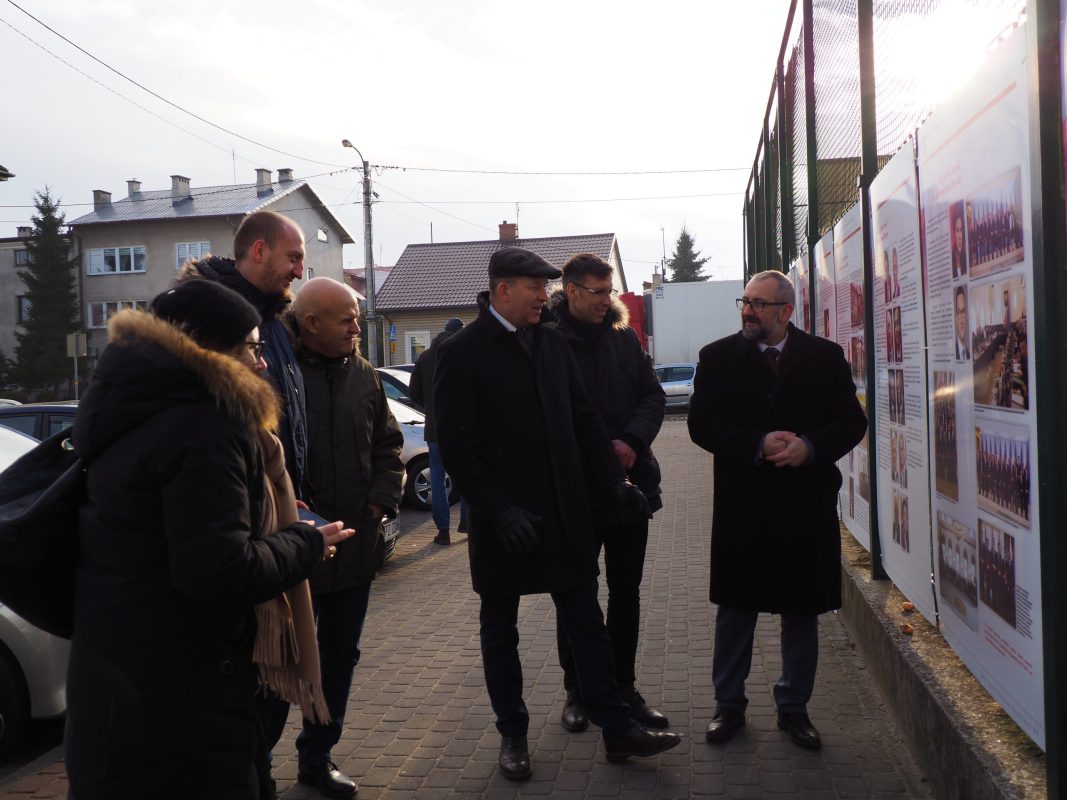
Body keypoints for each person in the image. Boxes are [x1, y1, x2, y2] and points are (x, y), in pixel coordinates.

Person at [65, 280, 352, 800]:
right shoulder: (207, 426)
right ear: (210, 349)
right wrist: (305, 544)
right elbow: (219, 570)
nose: (262, 364)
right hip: (182, 701)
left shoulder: (133, 407)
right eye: (252, 347)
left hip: (123, 687)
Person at [433, 246, 681, 781]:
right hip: (505, 523)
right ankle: (513, 735)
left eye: (546, 288)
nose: (543, 297)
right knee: (500, 630)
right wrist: (499, 512)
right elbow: (457, 448)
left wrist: (616, 484)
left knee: (585, 620)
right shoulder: (462, 352)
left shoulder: (549, 342)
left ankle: (616, 728)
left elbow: (585, 420)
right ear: (503, 290)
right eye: (534, 288)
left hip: (565, 511)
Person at [688, 269, 866, 751]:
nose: (748, 311)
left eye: (759, 304)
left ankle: (793, 708)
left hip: (803, 504)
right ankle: (728, 706)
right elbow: (701, 425)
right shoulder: (717, 357)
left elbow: (852, 422)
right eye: (745, 302)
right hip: (743, 504)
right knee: (736, 609)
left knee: (801, 609)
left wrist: (810, 447)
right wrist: (756, 443)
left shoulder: (824, 357)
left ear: (786, 311)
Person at [282, 278, 405, 798]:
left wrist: (378, 505)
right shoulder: (277, 371)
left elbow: (388, 446)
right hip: (289, 551)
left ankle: (317, 756)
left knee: (339, 656)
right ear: (311, 323)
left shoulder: (364, 375)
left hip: (353, 547)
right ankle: (255, 765)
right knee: (278, 660)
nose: (359, 328)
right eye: (348, 319)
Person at [545, 252, 668, 733]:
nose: (606, 300)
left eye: (609, 290)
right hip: (574, 491)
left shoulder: (623, 337)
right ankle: (577, 689)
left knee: (626, 593)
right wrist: (597, 453)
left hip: (630, 488)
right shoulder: (547, 340)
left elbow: (652, 395)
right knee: (575, 592)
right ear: (572, 291)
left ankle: (623, 688)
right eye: (598, 292)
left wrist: (631, 441)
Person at [179, 210, 309, 497]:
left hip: (278, 506)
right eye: (293, 258)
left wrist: (289, 500)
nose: (299, 272)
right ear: (259, 251)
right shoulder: (204, 320)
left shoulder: (278, 325)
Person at [409, 317, 469, 545]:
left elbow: (414, 393)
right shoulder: (463, 353)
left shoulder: (425, 357)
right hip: (462, 427)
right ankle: (466, 523)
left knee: (437, 478)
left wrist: (430, 408)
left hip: (435, 428)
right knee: (467, 474)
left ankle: (443, 531)